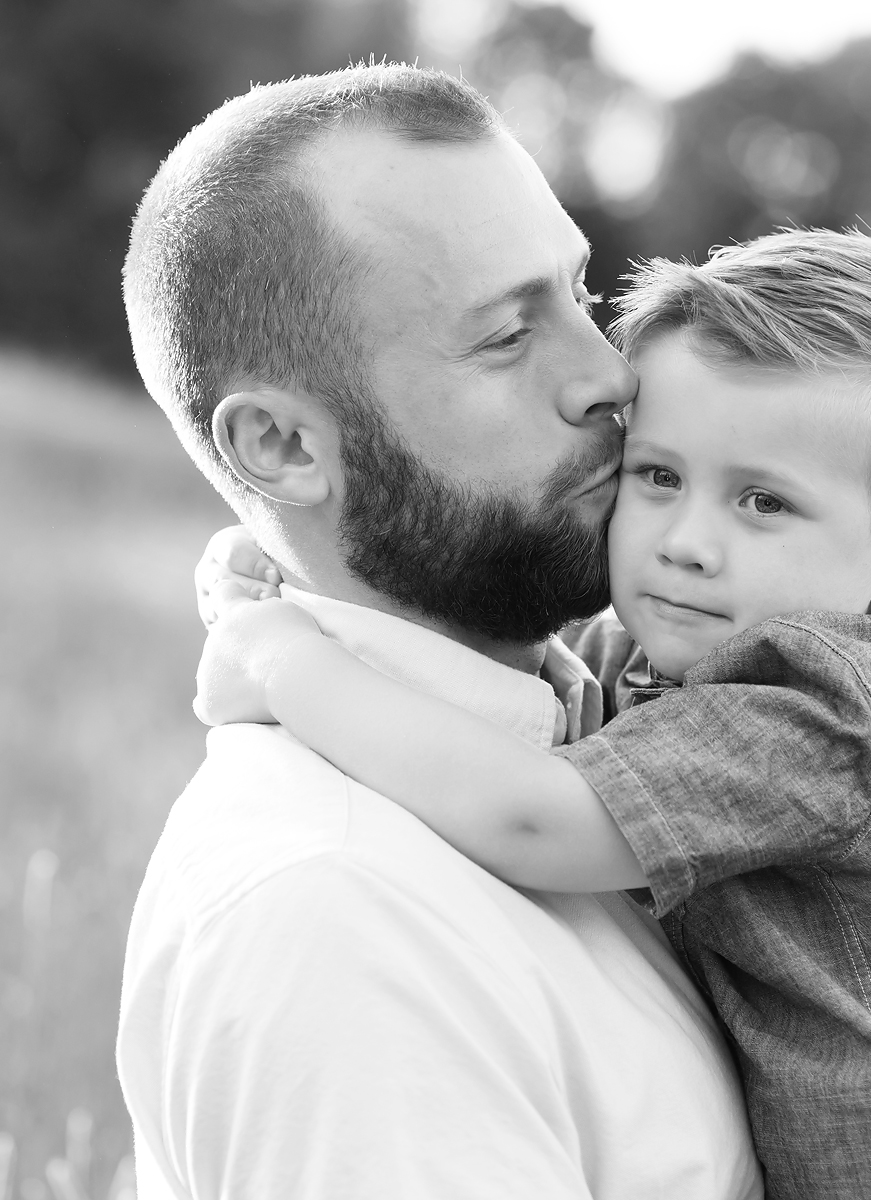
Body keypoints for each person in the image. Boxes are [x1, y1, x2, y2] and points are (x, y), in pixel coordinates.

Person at [196, 230, 871, 1198]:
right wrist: (313, 602)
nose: (686, 542)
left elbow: (532, 817)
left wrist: (280, 658)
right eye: (659, 475)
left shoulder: (822, 702)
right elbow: (515, 713)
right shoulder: (656, 648)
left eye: (763, 502)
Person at [116, 64, 764, 1200]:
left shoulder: (615, 729)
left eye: (579, 292)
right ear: (280, 447)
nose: (608, 375)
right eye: (508, 337)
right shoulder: (340, 915)